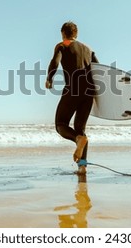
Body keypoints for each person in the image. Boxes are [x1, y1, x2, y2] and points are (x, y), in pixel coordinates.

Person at [46, 21, 99, 175]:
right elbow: (99, 70)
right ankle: (82, 166)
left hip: (72, 89)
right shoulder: (89, 50)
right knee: (81, 129)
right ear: (76, 33)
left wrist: (49, 78)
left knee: (60, 124)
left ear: (63, 33)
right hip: (89, 92)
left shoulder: (63, 45)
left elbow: (55, 62)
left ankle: (78, 140)